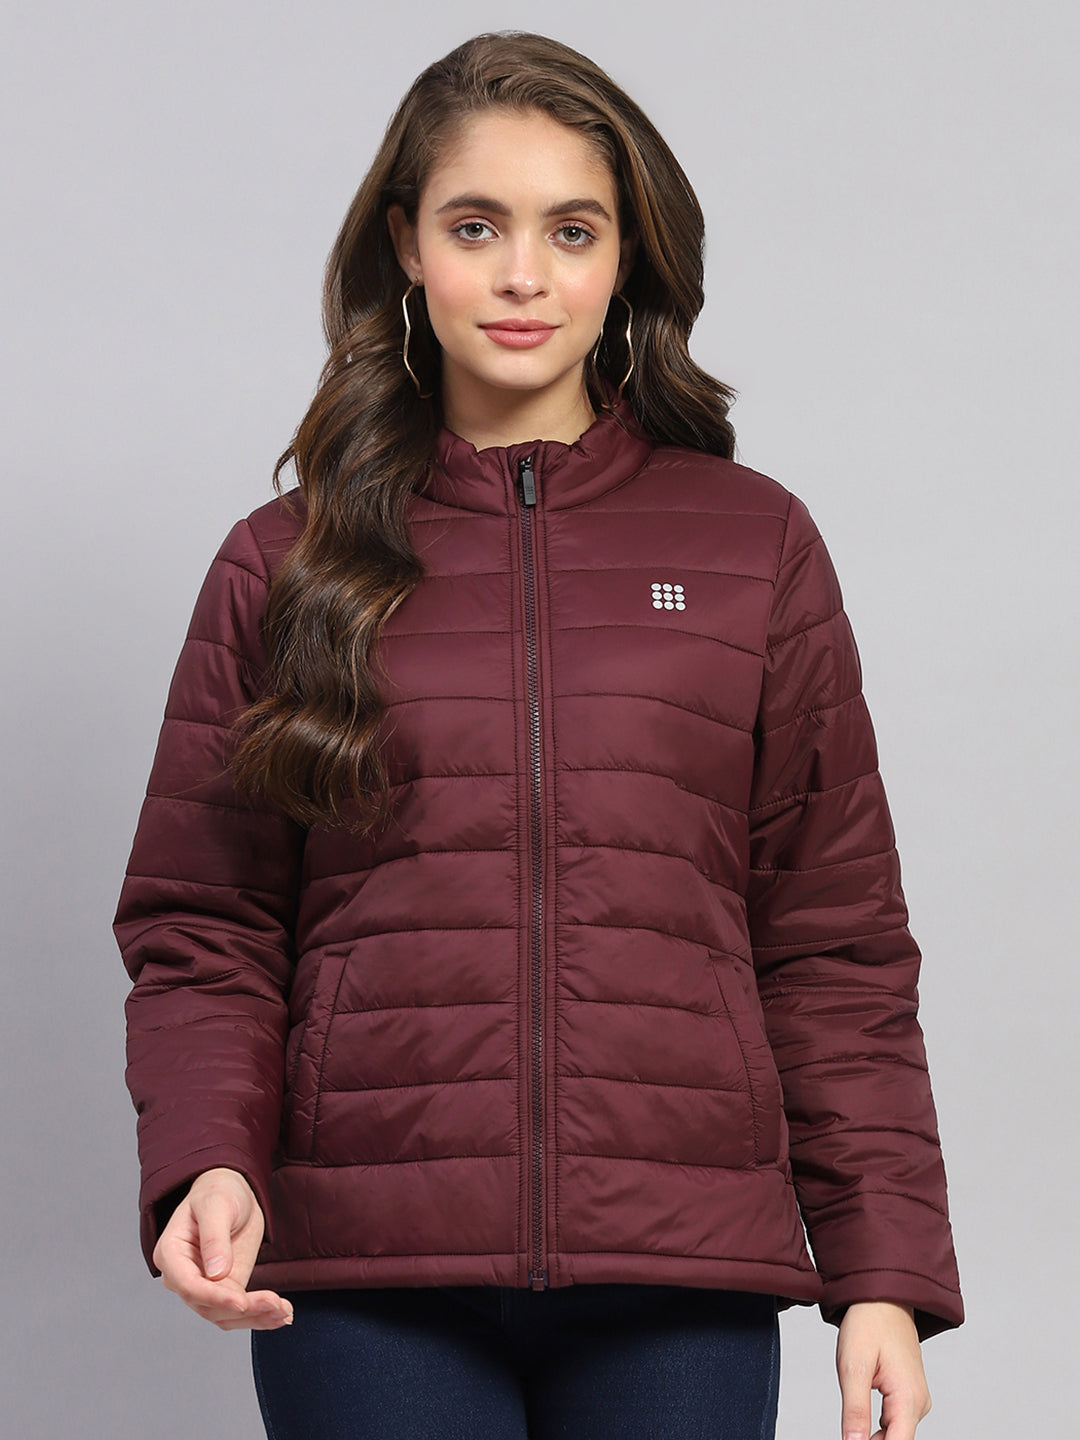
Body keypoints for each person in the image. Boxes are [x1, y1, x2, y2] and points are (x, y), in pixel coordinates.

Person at [113, 29, 964, 1440]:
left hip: (679, 1267)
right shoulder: (286, 561)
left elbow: (835, 939)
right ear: (407, 244)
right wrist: (209, 1161)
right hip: (367, 1269)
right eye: (475, 226)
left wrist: (882, 1272)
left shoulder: (753, 545)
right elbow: (207, 923)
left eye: (572, 230)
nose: (524, 276)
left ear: (626, 257)